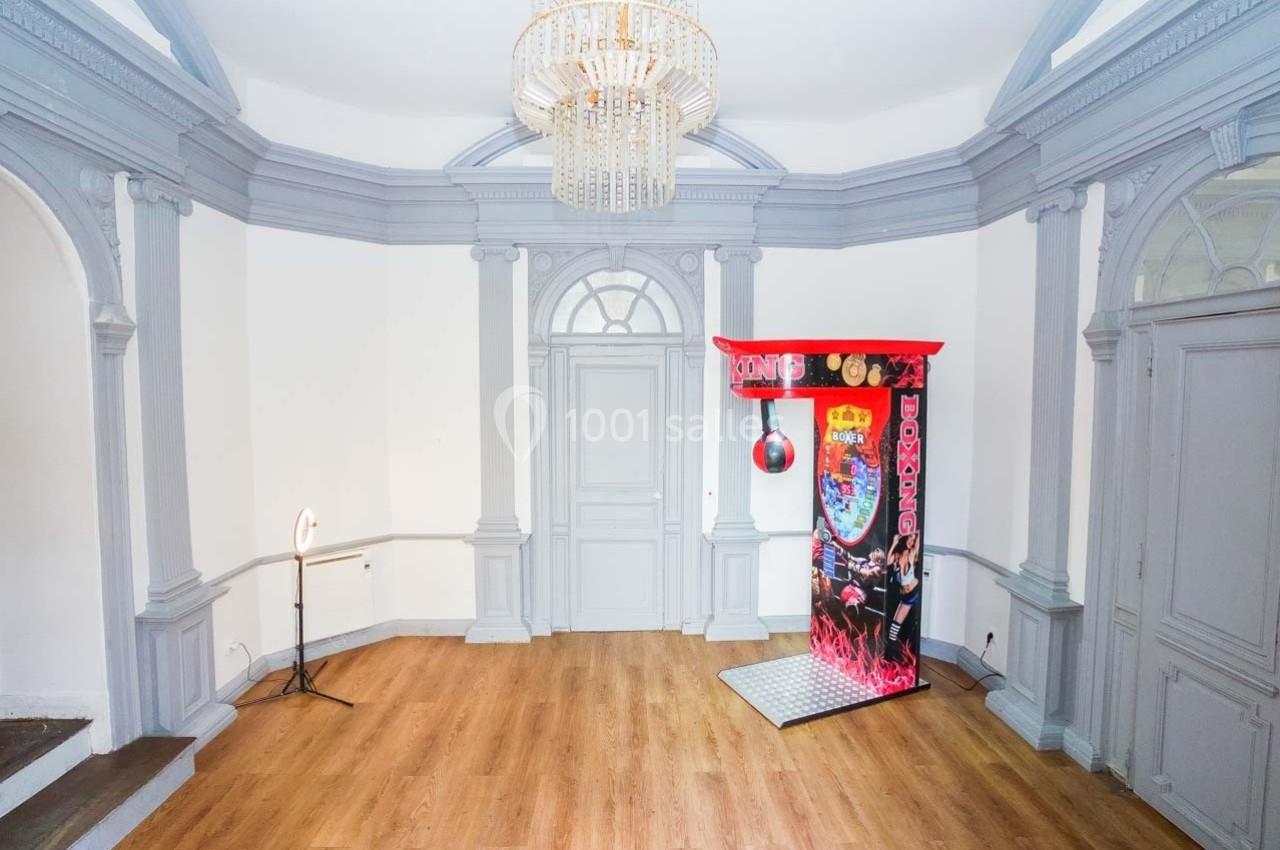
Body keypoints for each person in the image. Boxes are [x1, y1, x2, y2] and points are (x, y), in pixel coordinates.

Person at [886, 532, 920, 644]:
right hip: (905, 596)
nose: (912, 541)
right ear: (906, 537)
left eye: (914, 540)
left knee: (912, 624)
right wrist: (894, 543)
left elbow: (919, 534)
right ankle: (890, 657)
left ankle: (903, 654)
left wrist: (914, 532)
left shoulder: (913, 553)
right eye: (910, 538)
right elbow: (888, 561)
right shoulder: (897, 555)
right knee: (894, 627)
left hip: (914, 592)